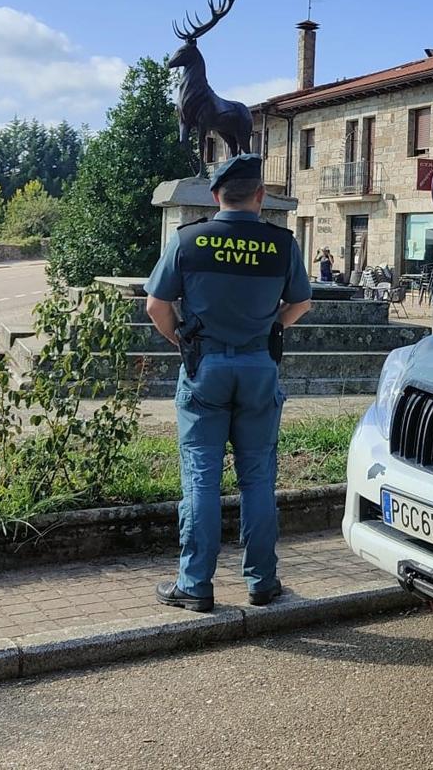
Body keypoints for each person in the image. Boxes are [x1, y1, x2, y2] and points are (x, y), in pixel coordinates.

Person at [145, 153, 312, 612]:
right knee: (258, 479)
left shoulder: (188, 241)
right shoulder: (282, 244)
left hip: (206, 368)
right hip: (259, 366)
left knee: (201, 478)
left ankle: (195, 585)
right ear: (260, 196)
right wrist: (271, 326)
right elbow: (301, 303)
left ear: (215, 195)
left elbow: (156, 306)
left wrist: (183, 338)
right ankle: (262, 582)